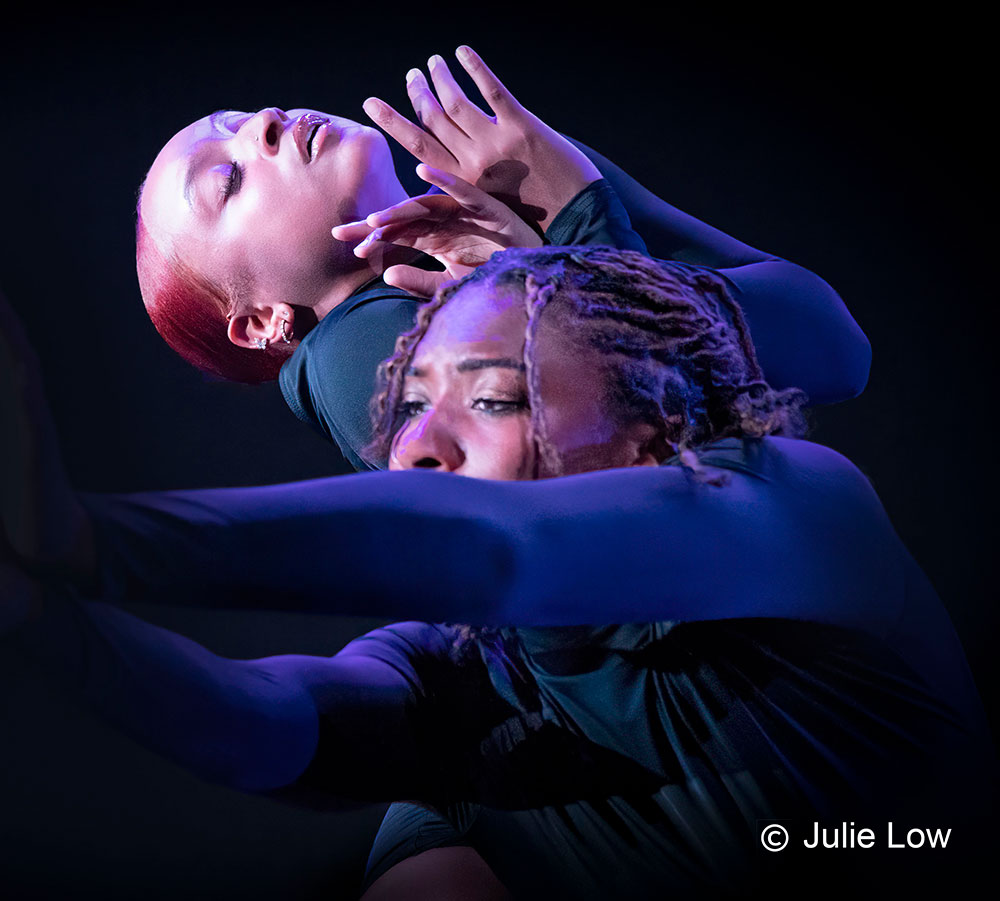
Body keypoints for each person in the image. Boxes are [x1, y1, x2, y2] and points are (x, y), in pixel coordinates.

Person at [3, 246, 989, 899]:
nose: (418, 449)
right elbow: (272, 723)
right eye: (410, 407)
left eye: (492, 398)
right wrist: (43, 622)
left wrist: (91, 540)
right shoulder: (476, 666)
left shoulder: (801, 505)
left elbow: (501, 547)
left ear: (654, 431)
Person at [135, 46, 870, 471]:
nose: (264, 124)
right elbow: (612, 505)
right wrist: (574, 248)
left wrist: (569, 223)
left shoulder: (518, 173)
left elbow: (838, 352)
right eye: (225, 179)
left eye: (242, 118)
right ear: (262, 321)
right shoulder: (350, 353)